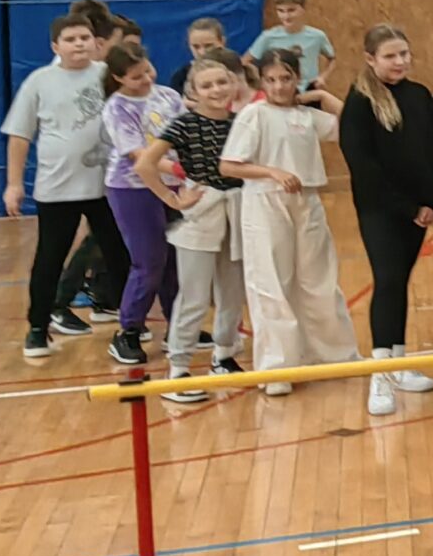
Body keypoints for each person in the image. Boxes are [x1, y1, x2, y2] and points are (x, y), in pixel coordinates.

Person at [220, 50, 354, 394]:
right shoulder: (254, 114)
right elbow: (230, 165)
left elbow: (354, 123)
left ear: (297, 78)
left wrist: (322, 95)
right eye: (272, 79)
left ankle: (334, 355)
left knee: (318, 278)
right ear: (262, 82)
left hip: (306, 199)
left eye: (286, 78)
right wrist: (271, 171)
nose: (279, 86)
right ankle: (277, 367)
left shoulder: (307, 116)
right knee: (272, 282)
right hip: (265, 201)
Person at [340, 24, 433, 415]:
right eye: (390, 56)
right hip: (381, 210)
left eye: (404, 54)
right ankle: (381, 374)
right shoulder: (359, 102)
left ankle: (400, 362)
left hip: (418, 210)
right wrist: (408, 207)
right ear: (370, 59)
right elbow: (364, 166)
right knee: (387, 281)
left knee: (400, 281)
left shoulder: (420, 96)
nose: (400, 62)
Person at [4, 11, 132, 358]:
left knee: (120, 254)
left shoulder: (108, 76)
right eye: (71, 39)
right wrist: (13, 184)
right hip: (57, 188)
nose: (78, 45)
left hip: (107, 185)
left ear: (97, 43)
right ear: (55, 46)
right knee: (50, 257)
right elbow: (19, 134)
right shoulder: (39, 82)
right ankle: (37, 328)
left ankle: (131, 326)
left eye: (84, 38)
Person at [137, 51, 248, 401]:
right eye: (206, 85)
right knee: (194, 295)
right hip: (201, 214)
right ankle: (180, 369)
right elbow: (145, 164)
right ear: (194, 91)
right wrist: (172, 200)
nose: (216, 89)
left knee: (232, 292)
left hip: (238, 211)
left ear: (233, 84)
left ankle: (224, 356)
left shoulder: (242, 122)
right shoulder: (183, 124)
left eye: (221, 82)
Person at [97, 42, 186, 367]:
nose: (146, 80)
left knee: (176, 260)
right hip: (132, 189)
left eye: (147, 71)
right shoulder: (117, 108)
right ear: (119, 78)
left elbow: (185, 136)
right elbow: (139, 157)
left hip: (173, 184)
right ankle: (129, 332)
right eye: (136, 77)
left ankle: (180, 327)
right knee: (149, 262)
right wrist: (177, 168)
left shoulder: (169, 97)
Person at [246, 0, 337, 90]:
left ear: (303, 8)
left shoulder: (317, 36)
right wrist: (263, 81)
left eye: (291, 10)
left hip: (309, 91)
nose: (286, 16)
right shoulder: (268, 37)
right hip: (280, 90)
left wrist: (323, 77)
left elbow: (332, 59)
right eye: (281, 11)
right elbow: (246, 61)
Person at [166, 17, 225, 96]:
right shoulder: (181, 77)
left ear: (222, 42)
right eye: (196, 47)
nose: (202, 52)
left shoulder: (238, 70)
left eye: (208, 46)